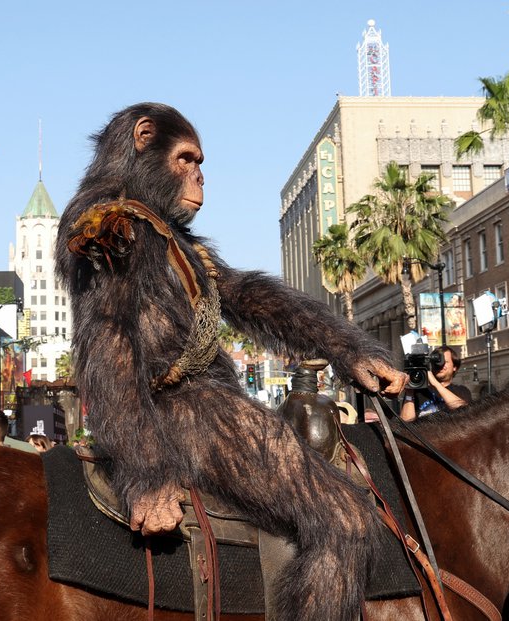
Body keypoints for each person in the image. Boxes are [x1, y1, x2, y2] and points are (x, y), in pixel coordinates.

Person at [55, 103, 407, 621]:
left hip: (200, 404)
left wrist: (346, 347)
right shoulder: (114, 223)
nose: (200, 177)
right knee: (348, 520)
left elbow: (246, 295)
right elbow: (109, 347)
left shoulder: (167, 237)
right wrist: (145, 472)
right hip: (185, 411)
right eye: (186, 160)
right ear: (143, 139)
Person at [400, 345, 471, 421]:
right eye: (436, 362)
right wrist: (409, 392)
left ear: (455, 367)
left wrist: (435, 384)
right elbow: (406, 422)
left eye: (445, 362)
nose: (440, 365)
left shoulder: (461, 391)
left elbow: (464, 411)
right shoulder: (418, 392)